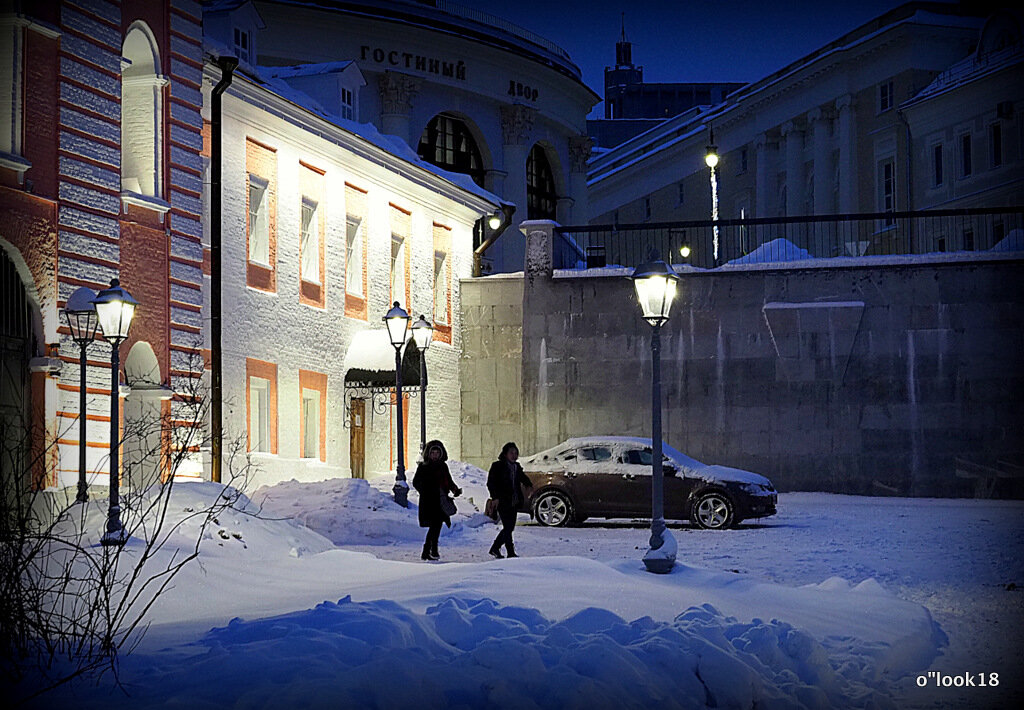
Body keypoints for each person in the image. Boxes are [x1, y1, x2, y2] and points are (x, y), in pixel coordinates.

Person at [412, 439, 461, 561]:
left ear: (441, 454)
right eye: (432, 452)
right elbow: (416, 482)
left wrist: (454, 490)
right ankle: (427, 550)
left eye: (437, 453)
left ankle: (433, 549)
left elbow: (448, 481)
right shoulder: (423, 467)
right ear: (428, 454)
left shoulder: (443, 466)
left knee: (437, 526)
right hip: (429, 502)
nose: (435, 455)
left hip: (440, 501)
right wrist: (425, 491)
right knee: (434, 526)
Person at [486, 441, 532, 559]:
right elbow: (491, 483)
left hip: (514, 501)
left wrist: (528, 485)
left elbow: (522, 477)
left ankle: (495, 548)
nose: (514, 455)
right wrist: (495, 497)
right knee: (508, 527)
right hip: (502, 501)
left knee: (509, 527)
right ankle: (510, 552)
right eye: (511, 453)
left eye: (516, 453)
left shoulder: (516, 467)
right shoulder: (497, 466)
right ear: (505, 454)